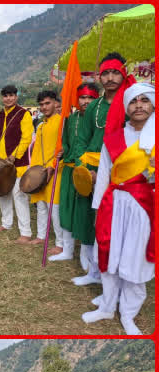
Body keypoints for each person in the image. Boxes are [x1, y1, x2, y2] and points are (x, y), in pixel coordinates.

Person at [81, 81, 154, 335]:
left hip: (144, 207)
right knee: (109, 254)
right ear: (126, 107)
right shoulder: (113, 139)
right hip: (114, 204)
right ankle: (107, 306)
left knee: (136, 259)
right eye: (133, 101)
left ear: (153, 104)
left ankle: (129, 314)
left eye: (144, 100)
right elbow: (103, 176)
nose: (139, 105)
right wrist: (98, 209)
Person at [71, 54, 127, 287]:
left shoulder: (130, 101)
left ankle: (119, 274)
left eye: (115, 72)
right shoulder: (93, 106)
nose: (111, 78)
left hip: (122, 169)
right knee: (92, 219)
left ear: (123, 73)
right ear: (99, 76)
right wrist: (84, 170)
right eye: (105, 73)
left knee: (118, 222)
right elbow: (82, 140)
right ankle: (94, 271)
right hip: (92, 170)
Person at [60, 81, 103, 280]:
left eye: (90, 98)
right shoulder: (71, 118)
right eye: (82, 97)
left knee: (86, 213)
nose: (85, 101)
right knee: (67, 210)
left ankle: (87, 258)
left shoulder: (98, 118)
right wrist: (63, 152)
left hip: (91, 172)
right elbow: (67, 142)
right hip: (69, 171)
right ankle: (67, 250)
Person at [0, 85, 36, 242]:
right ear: (2, 98)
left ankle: (25, 233)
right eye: (5, 96)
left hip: (18, 163)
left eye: (11, 95)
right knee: (3, 193)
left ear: (16, 97)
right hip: (0, 163)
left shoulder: (23, 114)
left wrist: (14, 155)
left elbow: (27, 137)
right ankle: (6, 223)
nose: (8, 98)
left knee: (19, 196)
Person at [30, 90, 66, 258]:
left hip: (56, 170)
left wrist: (53, 167)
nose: (44, 107)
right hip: (40, 171)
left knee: (55, 207)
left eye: (48, 103)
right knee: (42, 205)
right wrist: (34, 171)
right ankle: (41, 236)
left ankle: (60, 243)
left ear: (56, 103)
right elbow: (36, 149)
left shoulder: (62, 123)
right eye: (42, 104)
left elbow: (64, 149)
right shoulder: (41, 125)